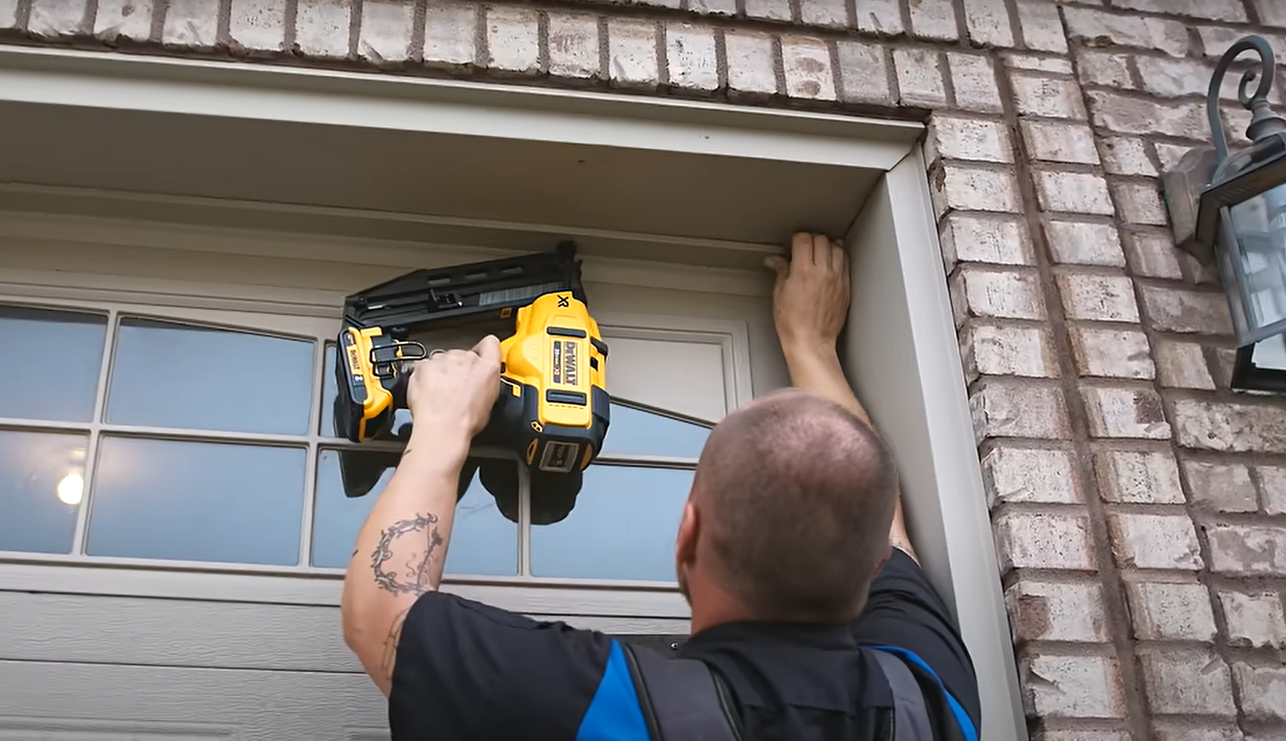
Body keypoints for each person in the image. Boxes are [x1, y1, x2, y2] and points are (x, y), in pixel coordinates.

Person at [339, 233, 981, 740]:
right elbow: (881, 518)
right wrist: (811, 347)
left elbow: (381, 617)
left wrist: (444, 426)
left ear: (687, 535)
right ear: (869, 562)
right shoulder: (929, 701)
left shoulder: (619, 705)